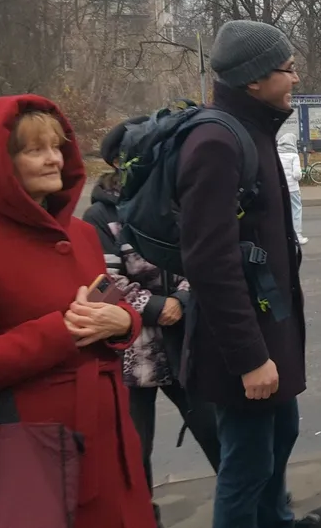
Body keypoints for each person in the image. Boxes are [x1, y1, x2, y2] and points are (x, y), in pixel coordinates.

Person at [0, 95, 156, 528]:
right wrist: (60, 331)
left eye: (57, 147)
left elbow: (111, 303)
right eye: (35, 150)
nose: (54, 160)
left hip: (111, 448)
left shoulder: (83, 234)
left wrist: (127, 322)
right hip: (29, 454)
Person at [176, 20, 321, 528]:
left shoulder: (254, 130)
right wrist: (250, 359)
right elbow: (209, 263)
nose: (294, 79)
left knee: (280, 437)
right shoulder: (217, 143)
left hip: (271, 327)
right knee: (245, 468)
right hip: (241, 347)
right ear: (253, 80)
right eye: (287, 70)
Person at [84, 117, 224, 528]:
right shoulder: (100, 216)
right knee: (132, 452)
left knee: (219, 434)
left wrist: (181, 298)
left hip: (183, 344)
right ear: (120, 164)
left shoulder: (173, 204)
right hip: (129, 354)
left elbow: (200, 259)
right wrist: (154, 307)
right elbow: (104, 280)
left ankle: (265, 511)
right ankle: (143, 520)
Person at [277, 131, 308, 245]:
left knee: (282, 210)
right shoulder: (294, 156)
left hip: (280, 188)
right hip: (293, 188)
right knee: (296, 210)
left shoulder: (277, 154)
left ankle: (282, 235)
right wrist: (301, 176)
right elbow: (297, 174)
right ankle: (297, 235)